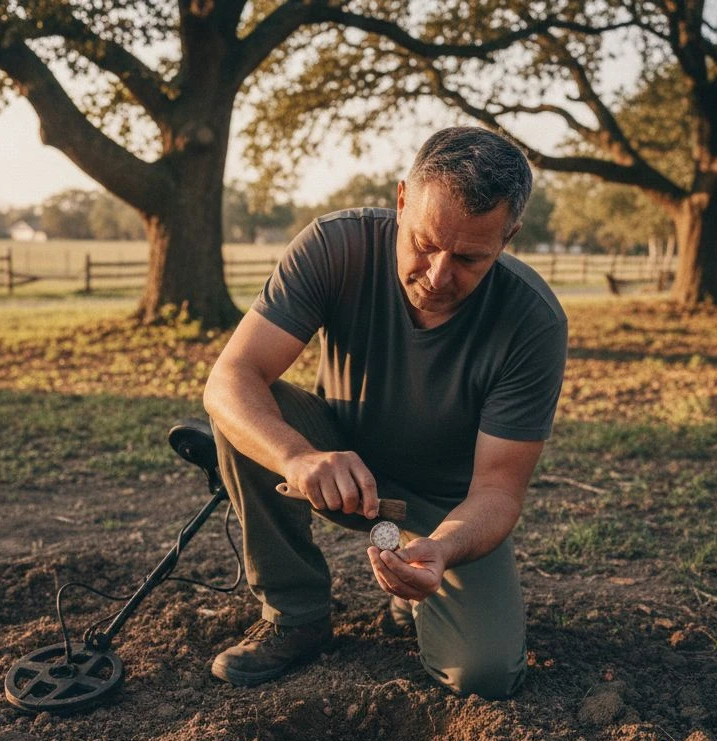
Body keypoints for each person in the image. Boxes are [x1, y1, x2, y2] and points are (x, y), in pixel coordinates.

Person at [202, 127, 567, 699]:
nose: (438, 276)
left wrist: (443, 549)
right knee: (247, 412)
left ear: (509, 236)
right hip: (339, 468)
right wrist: (298, 456)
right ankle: (295, 615)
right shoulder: (334, 246)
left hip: (448, 509)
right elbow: (230, 378)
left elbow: (499, 491)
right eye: (424, 243)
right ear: (402, 200)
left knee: (484, 676)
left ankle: (413, 584)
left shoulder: (533, 322)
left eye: (470, 258)